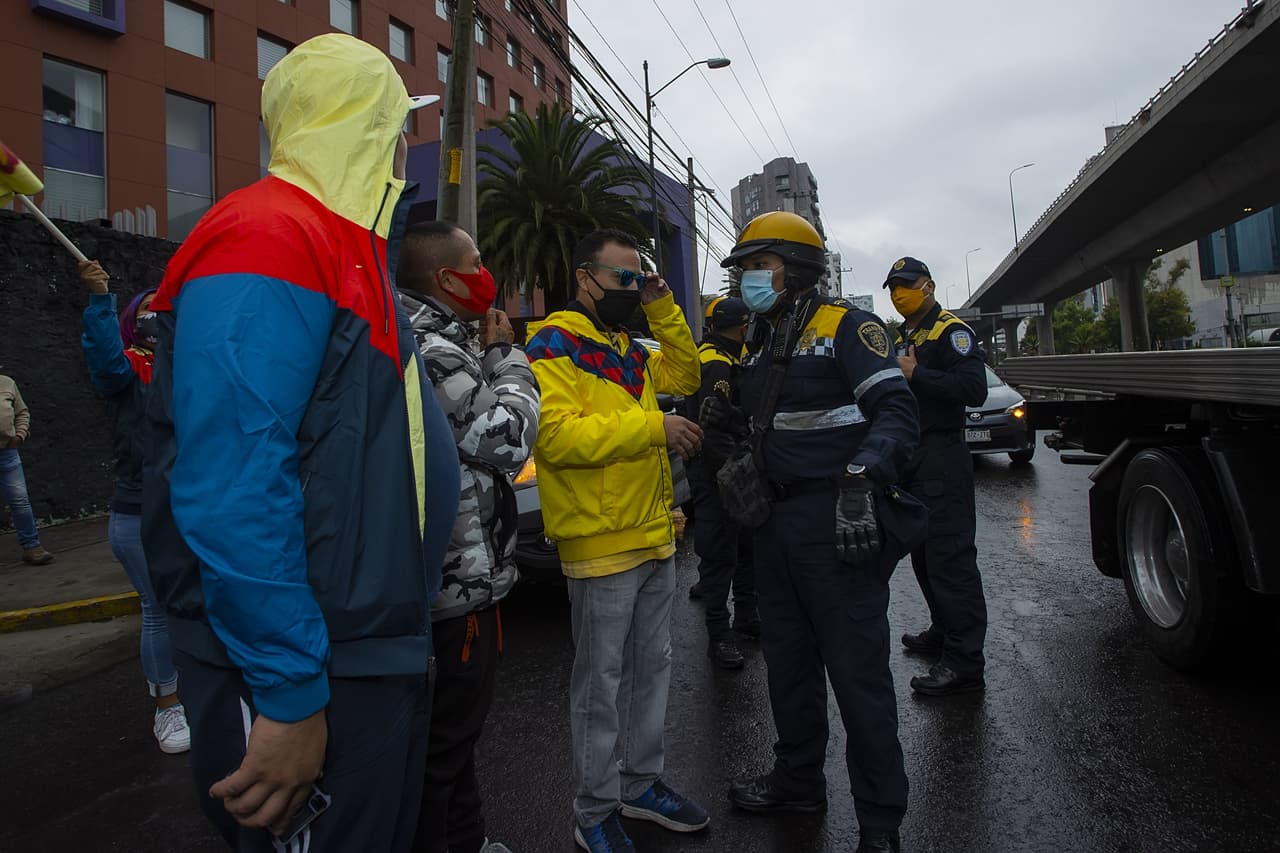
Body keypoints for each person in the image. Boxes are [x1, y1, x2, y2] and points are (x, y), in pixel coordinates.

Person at [141, 34, 458, 852]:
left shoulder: (347, 250)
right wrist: (286, 689)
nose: (406, 146)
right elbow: (235, 480)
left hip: (353, 649)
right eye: (398, 124)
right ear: (368, 125)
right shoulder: (271, 234)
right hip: (307, 661)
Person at [710, 212, 919, 853]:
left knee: (858, 679)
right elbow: (774, 420)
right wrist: (729, 418)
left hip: (838, 523)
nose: (748, 279)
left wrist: (862, 475)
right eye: (744, 269)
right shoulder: (761, 339)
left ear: (797, 269)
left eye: (759, 266)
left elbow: (896, 412)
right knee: (789, 668)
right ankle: (798, 781)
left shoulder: (848, 328)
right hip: (773, 525)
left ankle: (880, 824)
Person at [525, 229, 704, 853]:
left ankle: (640, 783)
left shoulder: (625, 344)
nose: (632, 287)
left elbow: (686, 371)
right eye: (622, 278)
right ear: (584, 277)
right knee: (600, 685)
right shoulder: (552, 343)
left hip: (654, 534)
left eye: (639, 277)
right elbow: (556, 437)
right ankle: (594, 809)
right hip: (599, 541)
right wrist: (653, 427)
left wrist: (662, 305)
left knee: (651, 672)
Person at [396, 221, 540, 853]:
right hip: (454, 585)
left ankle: (468, 837)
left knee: (454, 738)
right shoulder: (433, 350)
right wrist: (509, 359)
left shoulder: (431, 337)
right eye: (476, 263)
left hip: (455, 578)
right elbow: (507, 439)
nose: (487, 274)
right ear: (447, 279)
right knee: (446, 741)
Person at [78, 259, 189, 754]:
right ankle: (168, 706)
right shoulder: (124, 372)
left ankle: (208, 691)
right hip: (138, 511)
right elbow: (103, 362)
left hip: (192, 507)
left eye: (161, 310)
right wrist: (99, 299)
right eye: (145, 311)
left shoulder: (187, 370)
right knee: (158, 609)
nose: (154, 319)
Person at [883, 256, 989, 696]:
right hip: (914, 457)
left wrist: (918, 373)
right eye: (892, 288)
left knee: (950, 560)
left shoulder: (951, 331)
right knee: (924, 556)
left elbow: (974, 389)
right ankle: (943, 632)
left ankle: (964, 664)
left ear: (927, 286)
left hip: (943, 456)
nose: (898, 294)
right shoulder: (906, 334)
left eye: (906, 285)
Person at [687, 296, 759, 669]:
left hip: (724, 467)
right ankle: (719, 635)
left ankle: (747, 617)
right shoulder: (716, 362)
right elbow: (712, 428)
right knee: (720, 555)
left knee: (745, 548)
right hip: (717, 471)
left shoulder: (724, 355)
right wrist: (731, 476)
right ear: (742, 327)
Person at [0, 372, 53, 565]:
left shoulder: (7, 383)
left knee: (20, 501)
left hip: (7, 453)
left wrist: (19, 435)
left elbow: (22, 412)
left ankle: (32, 547)